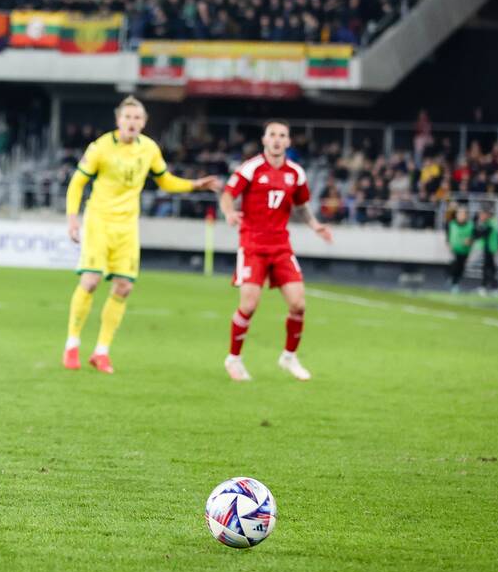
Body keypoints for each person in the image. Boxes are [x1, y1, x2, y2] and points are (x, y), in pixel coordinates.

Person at [63, 96, 221, 374]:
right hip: (100, 220)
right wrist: (73, 219)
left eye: (138, 118)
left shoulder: (149, 149)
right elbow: (77, 183)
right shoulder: (100, 147)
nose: (132, 122)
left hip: (127, 226)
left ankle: (101, 351)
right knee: (90, 280)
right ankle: (72, 344)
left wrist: (195, 185)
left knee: (124, 286)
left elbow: (165, 180)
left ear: (144, 122)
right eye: (128, 117)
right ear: (118, 120)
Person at [220, 120, 334, 382]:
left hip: (281, 246)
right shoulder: (251, 168)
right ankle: (233, 358)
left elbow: (302, 206)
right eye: (272, 135)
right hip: (252, 245)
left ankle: (288, 357)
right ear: (264, 139)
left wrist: (316, 226)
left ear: (288, 142)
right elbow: (228, 193)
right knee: (248, 305)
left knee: (298, 304)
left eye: (282, 135)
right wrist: (228, 212)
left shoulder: (295, 173)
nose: (277, 139)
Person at [446, 206, 474, 294]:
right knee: (455, 264)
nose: (461, 216)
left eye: (463, 214)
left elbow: (473, 237)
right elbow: (448, 235)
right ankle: (454, 282)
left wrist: (469, 241)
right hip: (455, 249)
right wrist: (449, 243)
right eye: (459, 214)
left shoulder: (470, 225)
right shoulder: (452, 224)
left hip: (465, 250)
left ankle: (455, 282)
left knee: (461, 267)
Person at [474, 206, 498, 296]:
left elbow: (481, 235)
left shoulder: (490, 223)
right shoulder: (493, 222)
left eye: (482, 214)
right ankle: (488, 287)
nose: (481, 216)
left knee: (488, 268)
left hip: (489, 248)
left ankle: (491, 287)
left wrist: (478, 226)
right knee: (489, 268)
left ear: (487, 215)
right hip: (491, 247)